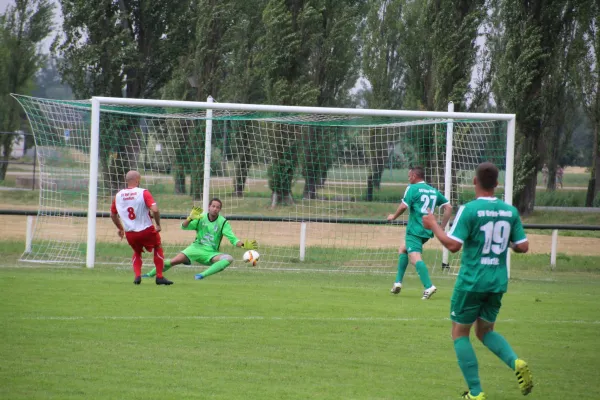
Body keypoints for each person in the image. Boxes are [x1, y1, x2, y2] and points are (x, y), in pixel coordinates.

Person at [422, 162, 533, 399]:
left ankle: (476, 393)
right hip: (497, 283)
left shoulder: (470, 210)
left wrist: (433, 225)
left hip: (472, 282)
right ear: (497, 184)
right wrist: (507, 243)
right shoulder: (509, 211)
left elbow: (453, 245)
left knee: (459, 334)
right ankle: (516, 362)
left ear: (475, 181)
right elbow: (523, 246)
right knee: (485, 332)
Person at [143, 198, 258, 280]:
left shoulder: (223, 222)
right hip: (195, 248)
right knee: (173, 261)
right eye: (213, 206)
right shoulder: (200, 217)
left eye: (218, 207)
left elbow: (233, 240)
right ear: (209, 207)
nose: (215, 209)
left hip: (211, 253)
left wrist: (244, 245)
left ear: (220, 210)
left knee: (228, 258)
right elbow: (184, 226)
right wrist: (189, 218)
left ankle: (201, 275)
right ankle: (149, 274)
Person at [387, 166, 452, 299]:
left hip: (414, 230)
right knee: (403, 249)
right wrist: (441, 227)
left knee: (415, 257)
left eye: (409, 176)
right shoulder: (432, 190)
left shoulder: (412, 188)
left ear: (415, 176)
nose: (408, 178)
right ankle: (397, 282)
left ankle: (429, 286)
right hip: (427, 230)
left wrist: (393, 217)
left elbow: (404, 206)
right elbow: (449, 207)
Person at [110, 170, 173, 285]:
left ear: (127, 180)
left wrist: (120, 228)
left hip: (130, 233)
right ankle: (159, 277)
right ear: (137, 180)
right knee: (158, 247)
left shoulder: (118, 195)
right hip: (146, 229)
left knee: (137, 252)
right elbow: (155, 210)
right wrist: (158, 224)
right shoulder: (143, 192)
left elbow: (113, 214)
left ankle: (137, 276)